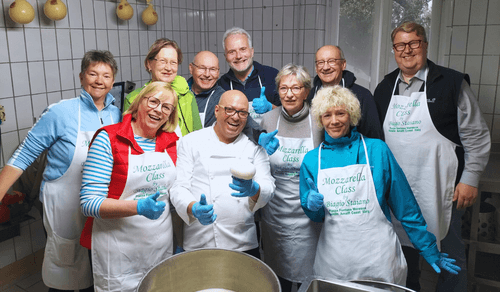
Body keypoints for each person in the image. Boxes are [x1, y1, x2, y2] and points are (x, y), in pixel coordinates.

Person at [300, 86, 461, 286]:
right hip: (334, 263)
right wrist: (310, 206)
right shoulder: (312, 160)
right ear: (320, 120)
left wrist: (428, 248)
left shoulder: (377, 150)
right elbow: (316, 217)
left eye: (340, 113)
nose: (334, 121)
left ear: (351, 116)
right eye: (327, 115)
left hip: (379, 260)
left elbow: (406, 206)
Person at [373, 21, 491, 291]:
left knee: (450, 257)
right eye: (400, 45)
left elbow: (477, 135)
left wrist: (470, 179)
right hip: (398, 191)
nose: (407, 50)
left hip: (442, 188)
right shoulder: (384, 87)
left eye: (413, 43)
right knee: (404, 255)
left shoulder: (451, 83)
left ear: (424, 45)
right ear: (393, 50)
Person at [0, 50, 121, 292]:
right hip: (64, 202)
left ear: (113, 79)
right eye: (92, 74)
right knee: (64, 268)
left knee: (94, 264)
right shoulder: (60, 112)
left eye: (106, 75)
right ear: (81, 77)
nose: (99, 80)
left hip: (99, 201)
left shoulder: (115, 113)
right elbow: (23, 154)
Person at [79, 81, 178, 292]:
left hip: (158, 247)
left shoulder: (172, 143)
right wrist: (138, 208)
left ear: (170, 115)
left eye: (166, 107)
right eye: (153, 101)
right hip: (117, 251)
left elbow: (178, 190)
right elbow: (88, 203)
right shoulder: (108, 138)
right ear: (139, 102)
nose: (158, 110)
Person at [170, 90, 275, 259]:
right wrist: (193, 207)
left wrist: (254, 189)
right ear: (217, 110)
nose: (235, 117)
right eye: (230, 110)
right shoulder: (190, 142)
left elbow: (269, 187)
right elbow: (178, 187)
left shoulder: (255, 147)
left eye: (242, 113)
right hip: (199, 238)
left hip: (243, 242)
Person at [259, 64, 323, 292]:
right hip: (276, 213)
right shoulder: (267, 120)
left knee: (310, 275)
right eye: (284, 88)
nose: (289, 94)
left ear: (307, 91)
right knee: (279, 276)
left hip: (310, 215)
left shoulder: (319, 121)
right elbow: (255, 162)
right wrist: (260, 149)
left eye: (296, 88)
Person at [189, 50, 279, 154]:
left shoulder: (222, 96)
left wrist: (260, 136)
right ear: (191, 68)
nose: (207, 74)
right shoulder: (180, 92)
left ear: (218, 73)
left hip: (209, 156)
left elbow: (244, 121)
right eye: (202, 68)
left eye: (213, 69)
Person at [123, 38, 202, 137]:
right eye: (162, 61)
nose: (168, 68)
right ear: (149, 64)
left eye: (173, 62)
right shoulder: (133, 99)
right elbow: (126, 139)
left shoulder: (187, 95)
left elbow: (199, 135)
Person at [307, 45, 382, 139]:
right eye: (320, 62)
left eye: (331, 61)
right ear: (316, 68)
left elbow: (373, 136)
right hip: (317, 153)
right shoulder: (309, 96)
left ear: (343, 64)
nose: (325, 67)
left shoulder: (363, 95)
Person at [219, 27, 281, 124]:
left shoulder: (273, 76)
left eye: (243, 49)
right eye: (232, 52)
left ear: (252, 52)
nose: (238, 56)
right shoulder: (221, 86)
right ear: (226, 57)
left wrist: (270, 107)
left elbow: (291, 117)